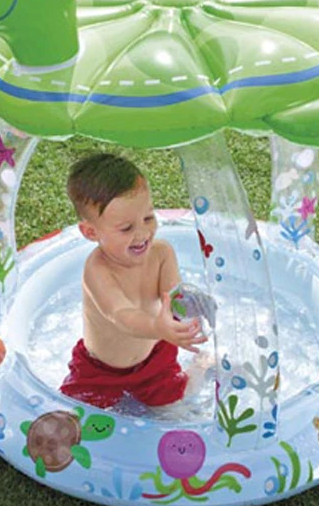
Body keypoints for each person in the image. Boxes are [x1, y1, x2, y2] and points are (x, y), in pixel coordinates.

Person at [59, 153, 208, 409]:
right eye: (126, 228)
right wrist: (158, 327)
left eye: (148, 218)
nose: (143, 233)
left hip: (155, 358)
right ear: (91, 232)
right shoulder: (98, 270)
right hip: (100, 370)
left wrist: (192, 306)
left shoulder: (162, 254)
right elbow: (121, 314)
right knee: (75, 414)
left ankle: (202, 366)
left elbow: (174, 297)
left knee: (174, 406)